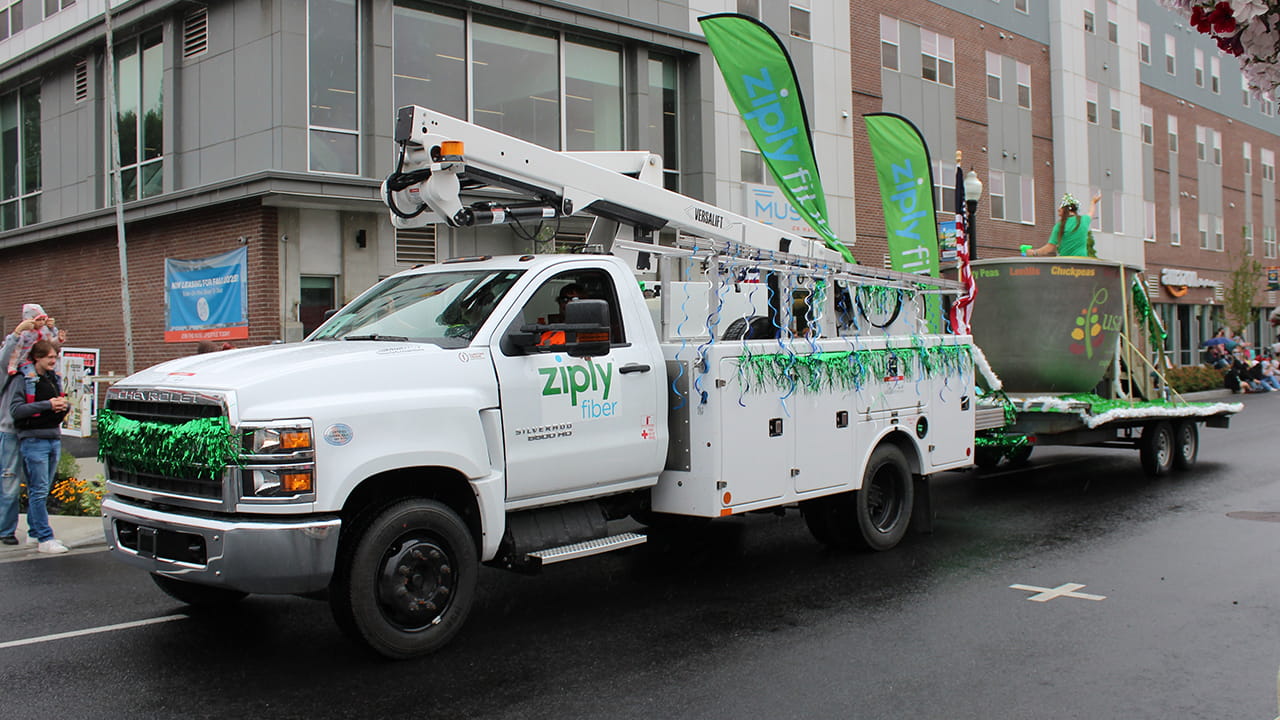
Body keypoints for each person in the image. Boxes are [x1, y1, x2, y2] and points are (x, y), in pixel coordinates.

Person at [6, 340, 70, 553]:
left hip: (52, 436)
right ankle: (45, 537)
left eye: (55, 357)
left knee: (43, 489)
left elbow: (57, 404)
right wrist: (48, 404)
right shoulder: (23, 379)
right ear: (38, 357)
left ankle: (34, 533)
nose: (54, 361)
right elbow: (16, 410)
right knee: (39, 490)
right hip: (33, 440)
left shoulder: (52, 378)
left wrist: (63, 406)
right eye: (50, 357)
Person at [0, 320, 32, 546]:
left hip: (34, 433)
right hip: (10, 431)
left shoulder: (32, 372)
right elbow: (4, 359)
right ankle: (5, 530)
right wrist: (17, 333)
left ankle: (35, 529)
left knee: (36, 485)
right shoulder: (8, 373)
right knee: (9, 482)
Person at [6, 304, 61, 402]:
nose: (41, 323)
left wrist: (56, 333)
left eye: (43, 320)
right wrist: (12, 366)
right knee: (30, 378)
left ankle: (61, 397)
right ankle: (30, 399)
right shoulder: (25, 334)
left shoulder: (44, 331)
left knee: (58, 375)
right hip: (25, 359)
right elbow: (16, 350)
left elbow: (51, 342)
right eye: (38, 320)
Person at [1023, 192, 1102, 257]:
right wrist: (1093, 202)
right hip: (1082, 265)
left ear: (1065, 210)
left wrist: (1034, 252)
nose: (1059, 214)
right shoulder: (1084, 220)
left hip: (1065, 266)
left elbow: (1050, 248)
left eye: (1059, 212)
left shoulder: (1059, 226)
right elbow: (1091, 212)